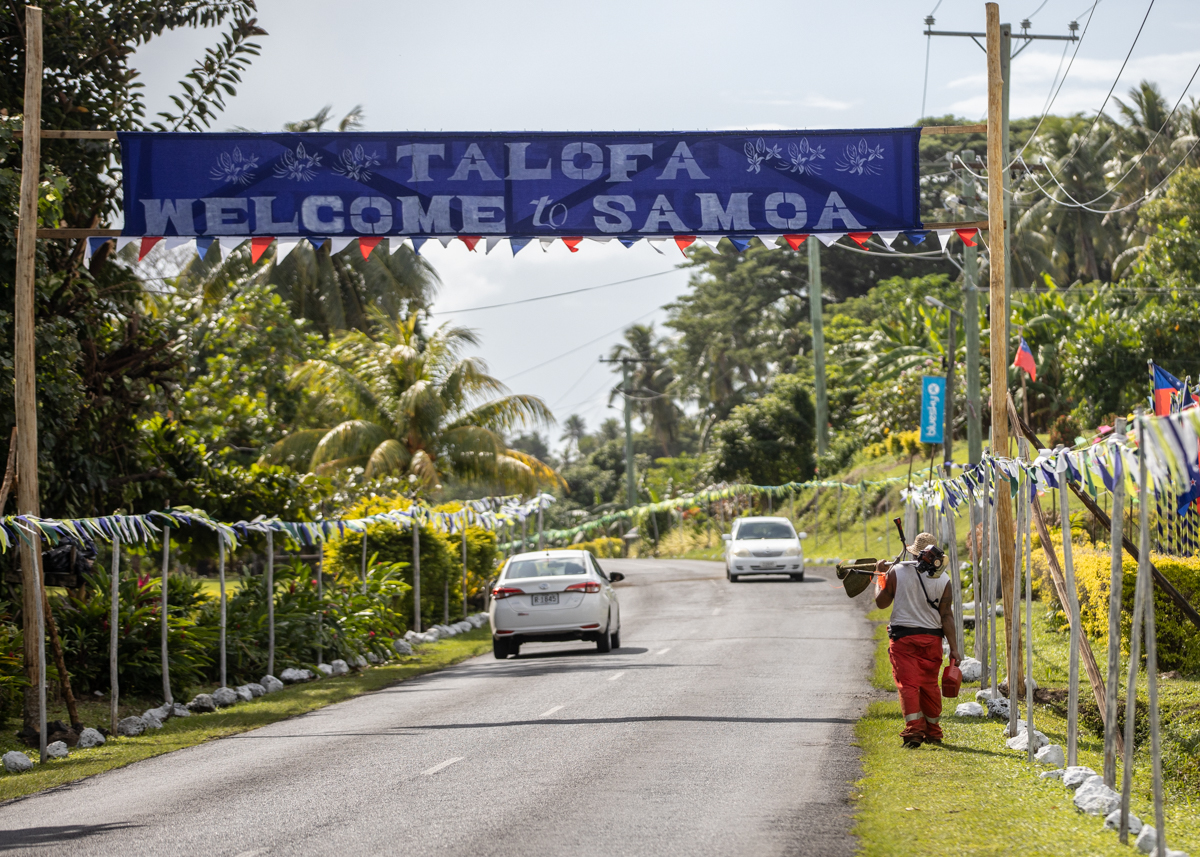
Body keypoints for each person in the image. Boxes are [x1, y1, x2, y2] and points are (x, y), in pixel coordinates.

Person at [874, 532, 960, 748]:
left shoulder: (897, 571)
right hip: (932, 640)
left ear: (914, 551)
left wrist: (880, 576)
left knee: (909, 685)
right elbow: (946, 615)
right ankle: (934, 731)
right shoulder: (944, 578)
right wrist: (954, 648)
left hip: (903, 639)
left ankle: (914, 732)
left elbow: (881, 603)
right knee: (930, 685)